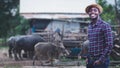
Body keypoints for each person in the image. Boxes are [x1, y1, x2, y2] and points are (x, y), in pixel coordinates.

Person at [85, 4, 113, 68]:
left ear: (99, 12)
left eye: (95, 10)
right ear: (88, 13)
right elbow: (91, 43)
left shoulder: (105, 25)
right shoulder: (89, 26)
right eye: (90, 10)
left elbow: (109, 44)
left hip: (101, 60)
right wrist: (87, 57)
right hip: (90, 60)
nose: (92, 12)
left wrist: (101, 60)